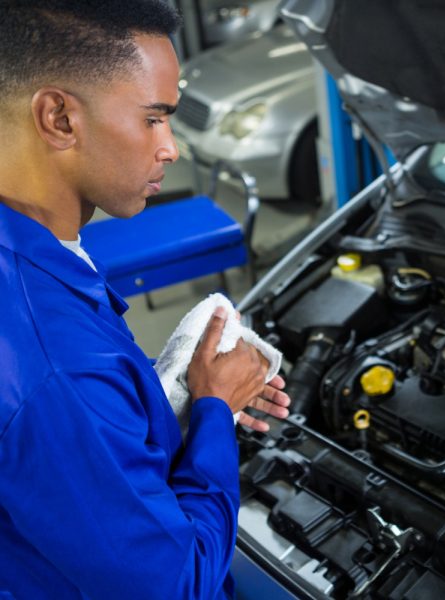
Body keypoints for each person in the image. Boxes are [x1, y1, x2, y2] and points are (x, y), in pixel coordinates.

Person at [0, 1, 291, 598]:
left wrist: (161, 406)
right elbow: (178, 585)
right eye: (154, 119)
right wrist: (212, 411)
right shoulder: (60, 365)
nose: (171, 149)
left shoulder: (32, 253)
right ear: (58, 117)